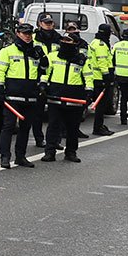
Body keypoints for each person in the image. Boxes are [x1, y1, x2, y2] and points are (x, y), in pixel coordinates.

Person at [0, 22, 48, 169]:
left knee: (25, 128)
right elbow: (0, 71)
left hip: (31, 95)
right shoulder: (7, 51)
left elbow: (44, 70)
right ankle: (5, 156)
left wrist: (42, 84)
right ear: (17, 33)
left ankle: (21, 156)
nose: (27, 36)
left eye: (29, 34)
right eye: (24, 33)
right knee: (8, 126)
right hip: (12, 96)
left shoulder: (36, 51)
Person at [42, 33, 93, 162]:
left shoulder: (82, 60)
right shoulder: (52, 56)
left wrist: (89, 93)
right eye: (63, 40)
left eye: (68, 40)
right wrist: (43, 85)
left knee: (72, 128)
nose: (65, 42)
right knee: (53, 126)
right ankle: (50, 152)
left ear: (75, 44)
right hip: (55, 96)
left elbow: (88, 77)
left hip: (74, 98)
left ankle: (71, 152)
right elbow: (45, 72)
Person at [32, 13, 62, 146]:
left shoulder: (59, 38)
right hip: (38, 77)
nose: (48, 25)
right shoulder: (33, 38)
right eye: (45, 23)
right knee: (37, 112)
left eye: (50, 23)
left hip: (55, 78)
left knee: (56, 113)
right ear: (39, 24)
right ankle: (39, 139)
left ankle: (55, 140)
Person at [86, 24, 116, 135]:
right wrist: (107, 76)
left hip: (95, 77)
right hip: (100, 78)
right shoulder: (101, 45)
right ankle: (98, 127)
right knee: (101, 105)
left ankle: (99, 125)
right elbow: (102, 62)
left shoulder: (95, 42)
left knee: (93, 102)